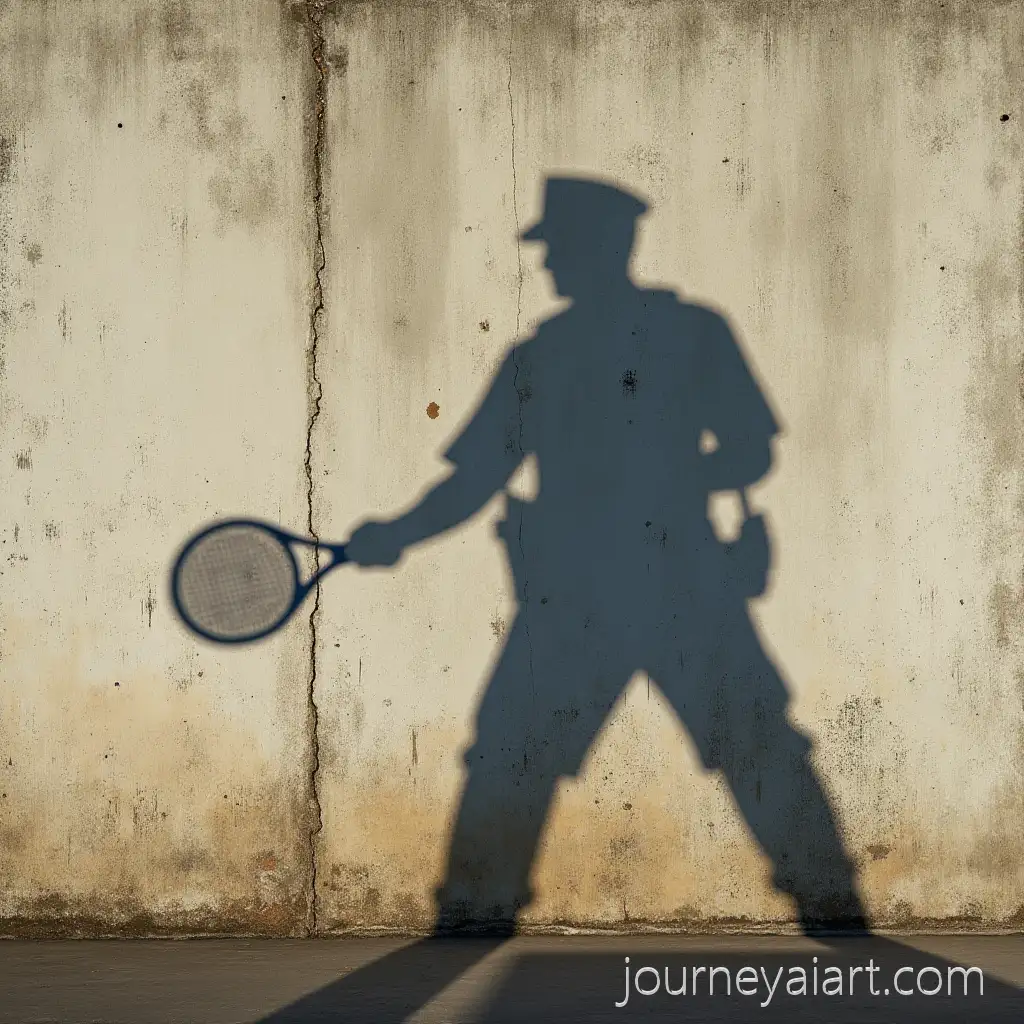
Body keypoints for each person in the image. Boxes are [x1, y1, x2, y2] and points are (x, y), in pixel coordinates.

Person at [346, 176, 866, 934]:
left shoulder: (677, 336)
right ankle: (473, 908)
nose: (550, 265)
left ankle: (831, 901)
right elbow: (477, 480)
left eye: (559, 249)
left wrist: (664, 479)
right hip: (621, 586)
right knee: (524, 749)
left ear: (604, 248)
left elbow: (750, 454)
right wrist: (394, 532)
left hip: (639, 584)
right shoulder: (553, 355)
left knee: (743, 738)